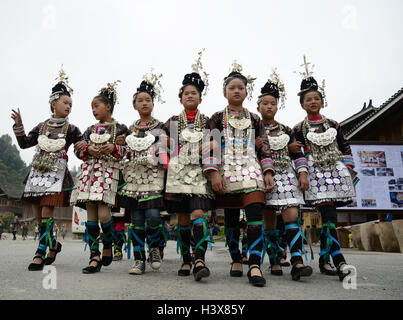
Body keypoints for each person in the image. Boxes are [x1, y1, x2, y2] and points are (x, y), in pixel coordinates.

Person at [206, 61, 275, 287]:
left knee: (255, 210)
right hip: (226, 168)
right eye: (232, 87)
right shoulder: (216, 118)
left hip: (251, 167)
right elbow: (210, 145)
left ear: (247, 92)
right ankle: (236, 258)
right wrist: (214, 173)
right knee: (233, 217)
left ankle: (254, 263)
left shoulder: (255, 118)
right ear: (224, 92)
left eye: (241, 88)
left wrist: (267, 171)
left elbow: (264, 145)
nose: (236, 91)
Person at [11, 68, 83, 270]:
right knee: (39, 214)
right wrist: (19, 126)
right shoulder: (42, 126)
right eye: (65, 102)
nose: (68, 106)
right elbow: (25, 143)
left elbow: (80, 148)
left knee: (46, 210)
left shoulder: (72, 129)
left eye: (71, 104)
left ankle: (39, 252)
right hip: (37, 173)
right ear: (53, 103)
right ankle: (53, 245)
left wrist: (84, 147)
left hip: (56, 175)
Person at [292, 55, 356, 281]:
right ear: (302, 104)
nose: (312, 102)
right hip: (315, 173)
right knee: (327, 213)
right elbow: (298, 153)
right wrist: (303, 172)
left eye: (316, 98)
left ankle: (327, 258)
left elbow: (345, 147)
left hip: (335, 171)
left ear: (322, 101)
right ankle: (337, 260)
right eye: (308, 99)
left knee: (330, 216)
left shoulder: (334, 124)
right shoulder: (298, 128)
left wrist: (348, 170)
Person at [256, 69, 313, 280]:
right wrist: (253, 145)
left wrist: (303, 173)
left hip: (287, 176)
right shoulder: (253, 129)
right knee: (269, 221)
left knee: (291, 217)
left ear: (277, 106)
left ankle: (297, 261)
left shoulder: (288, 130)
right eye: (265, 103)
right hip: (263, 177)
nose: (269, 106)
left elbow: (298, 154)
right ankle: (274, 260)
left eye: (273, 103)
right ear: (258, 107)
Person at [70, 80, 129, 274]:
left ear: (108, 107)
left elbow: (129, 150)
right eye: (92, 107)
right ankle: (94, 257)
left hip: (108, 176)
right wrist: (87, 148)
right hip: (89, 175)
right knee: (91, 216)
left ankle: (108, 243)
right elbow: (78, 149)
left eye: (97, 106)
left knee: (105, 214)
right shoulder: (89, 130)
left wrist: (115, 147)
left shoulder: (120, 129)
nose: (94, 110)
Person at [165, 50, 214, 281]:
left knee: (198, 213)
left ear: (200, 98)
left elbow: (221, 141)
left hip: (201, 174)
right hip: (178, 175)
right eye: (186, 93)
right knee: (183, 218)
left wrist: (214, 142)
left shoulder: (210, 121)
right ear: (180, 98)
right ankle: (186, 259)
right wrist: (163, 146)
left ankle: (199, 259)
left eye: (194, 93)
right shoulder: (172, 122)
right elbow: (158, 145)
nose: (190, 95)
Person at [117, 74, 168, 275]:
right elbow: (125, 153)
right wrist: (122, 145)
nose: (144, 103)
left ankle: (154, 248)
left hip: (154, 176)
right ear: (134, 105)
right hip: (133, 178)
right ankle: (139, 260)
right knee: (137, 219)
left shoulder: (161, 127)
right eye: (140, 100)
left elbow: (165, 149)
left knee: (153, 215)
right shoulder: (130, 129)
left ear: (153, 103)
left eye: (148, 100)